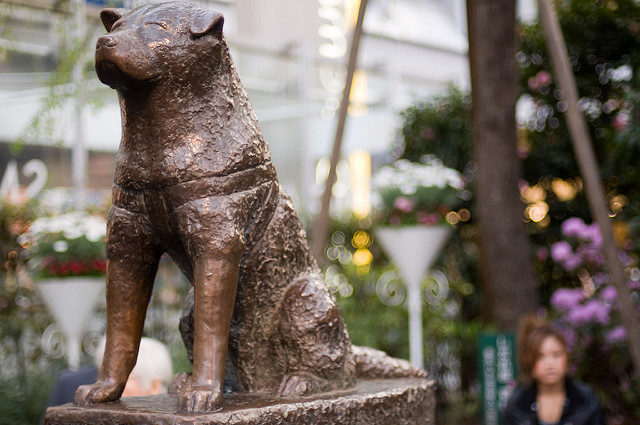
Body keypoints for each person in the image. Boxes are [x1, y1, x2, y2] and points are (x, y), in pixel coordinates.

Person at [502, 315, 605, 425]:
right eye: (540, 357)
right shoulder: (518, 406)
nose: (550, 364)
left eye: (556, 355)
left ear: (566, 357)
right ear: (528, 361)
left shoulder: (586, 399)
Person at [46, 336, 173, 407]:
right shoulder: (72, 387)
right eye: (102, 373)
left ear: (154, 386)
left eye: (125, 377)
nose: (107, 384)